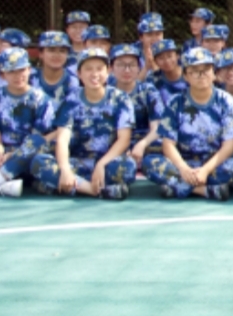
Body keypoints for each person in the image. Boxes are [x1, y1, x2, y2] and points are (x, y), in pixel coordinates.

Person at [29, 48, 137, 200]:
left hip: (108, 161)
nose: (94, 74)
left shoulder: (120, 99)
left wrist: (101, 164)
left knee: (128, 167)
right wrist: (65, 170)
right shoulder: (72, 99)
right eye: (88, 69)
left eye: (99, 69)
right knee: (39, 163)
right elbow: (62, 139)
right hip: (78, 162)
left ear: (108, 72)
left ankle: (66, 187)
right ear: (79, 74)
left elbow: (124, 139)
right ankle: (93, 190)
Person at [143, 47, 233, 201]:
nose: (201, 75)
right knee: (150, 163)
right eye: (194, 71)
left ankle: (178, 187)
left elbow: (229, 145)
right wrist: (184, 169)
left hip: (214, 163)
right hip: (184, 161)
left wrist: (205, 170)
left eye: (206, 70)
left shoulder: (226, 101)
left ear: (214, 73)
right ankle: (203, 190)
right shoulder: (175, 102)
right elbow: (168, 144)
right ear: (186, 76)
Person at [0, 48, 56, 199]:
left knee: (36, 143)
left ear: (29, 70)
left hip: (27, 156)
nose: (18, 76)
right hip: (2, 154)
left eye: (21, 70)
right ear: (3, 74)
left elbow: (36, 138)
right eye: (11, 71)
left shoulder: (42, 100)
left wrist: (11, 155)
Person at [110, 44, 165, 169]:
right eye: (121, 65)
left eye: (132, 65)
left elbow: (157, 127)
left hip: (145, 141)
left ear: (139, 67)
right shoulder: (107, 92)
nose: (127, 70)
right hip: (115, 142)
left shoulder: (148, 91)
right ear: (111, 68)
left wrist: (142, 144)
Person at [32, 31, 81, 104]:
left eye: (62, 51)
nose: (57, 55)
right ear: (41, 54)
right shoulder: (30, 77)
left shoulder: (71, 81)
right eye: (51, 50)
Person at [149, 39, 188, 106]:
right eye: (161, 58)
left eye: (169, 56)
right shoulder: (153, 79)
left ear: (177, 56)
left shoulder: (190, 74)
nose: (166, 61)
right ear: (155, 61)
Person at [136, 13, 166, 78]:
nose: (154, 38)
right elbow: (129, 83)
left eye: (158, 34)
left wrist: (153, 65)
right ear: (141, 37)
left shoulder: (168, 52)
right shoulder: (132, 54)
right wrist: (146, 67)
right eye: (149, 34)